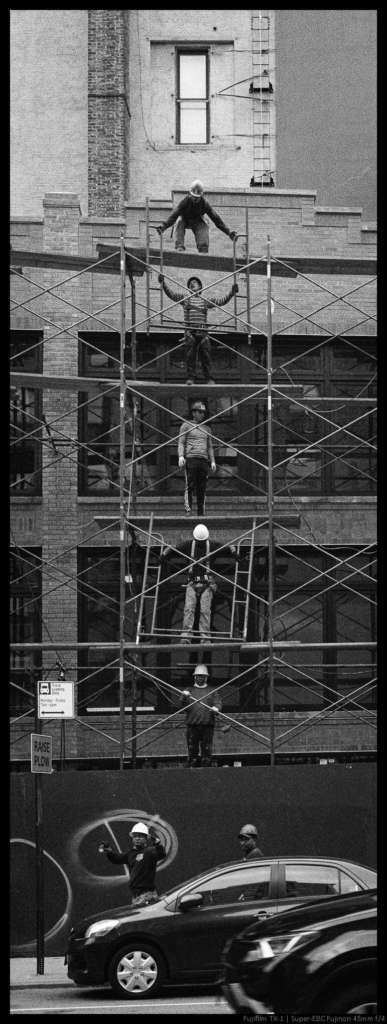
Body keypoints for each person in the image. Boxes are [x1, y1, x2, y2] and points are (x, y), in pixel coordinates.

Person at [160, 524, 239, 644]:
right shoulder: (188, 545)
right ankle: (186, 637)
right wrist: (163, 555)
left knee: (204, 611)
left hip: (207, 583)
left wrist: (234, 553)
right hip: (192, 582)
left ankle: (204, 638)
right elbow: (170, 548)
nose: (200, 544)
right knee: (189, 610)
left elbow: (230, 546)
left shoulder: (212, 545)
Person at [158, 273, 237, 384]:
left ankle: (208, 378)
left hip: (203, 333)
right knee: (190, 355)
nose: (192, 284)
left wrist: (232, 293)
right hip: (191, 332)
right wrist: (163, 283)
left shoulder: (205, 300)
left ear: (200, 287)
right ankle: (191, 377)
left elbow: (221, 302)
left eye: (194, 283)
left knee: (206, 356)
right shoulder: (185, 299)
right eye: (190, 284)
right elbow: (171, 294)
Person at [156, 179, 238, 253]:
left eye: (197, 197)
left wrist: (228, 232)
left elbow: (216, 219)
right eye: (193, 197)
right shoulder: (184, 202)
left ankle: (203, 248)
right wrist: (163, 227)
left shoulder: (205, 204)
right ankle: (179, 246)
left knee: (205, 224)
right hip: (185, 220)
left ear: (201, 195)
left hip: (197, 221)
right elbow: (173, 216)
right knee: (179, 220)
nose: (195, 199)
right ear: (190, 194)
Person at [99, 821, 166, 905]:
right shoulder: (131, 853)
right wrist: (109, 852)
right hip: (136, 897)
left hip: (147, 895)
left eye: (140, 836)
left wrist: (158, 844)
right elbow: (117, 859)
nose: (137, 838)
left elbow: (162, 854)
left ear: (146, 838)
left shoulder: (150, 852)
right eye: (135, 836)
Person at [180, 663, 222, 767]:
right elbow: (183, 705)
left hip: (207, 726)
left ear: (206, 678)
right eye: (199, 676)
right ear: (195, 677)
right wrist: (184, 697)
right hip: (192, 726)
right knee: (192, 752)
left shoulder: (212, 691)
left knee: (207, 752)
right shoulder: (189, 691)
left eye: (203, 676)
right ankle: (191, 774)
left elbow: (218, 702)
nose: (200, 678)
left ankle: (206, 775)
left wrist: (216, 708)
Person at [178, 401, 215, 514]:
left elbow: (209, 447)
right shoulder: (186, 425)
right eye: (199, 412)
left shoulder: (207, 429)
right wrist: (181, 456)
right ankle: (188, 509)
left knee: (202, 487)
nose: (202, 415)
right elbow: (181, 442)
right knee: (190, 485)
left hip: (203, 460)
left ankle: (201, 511)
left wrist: (212, 461)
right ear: (193, 413)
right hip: (191, 459)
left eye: (203, 413)